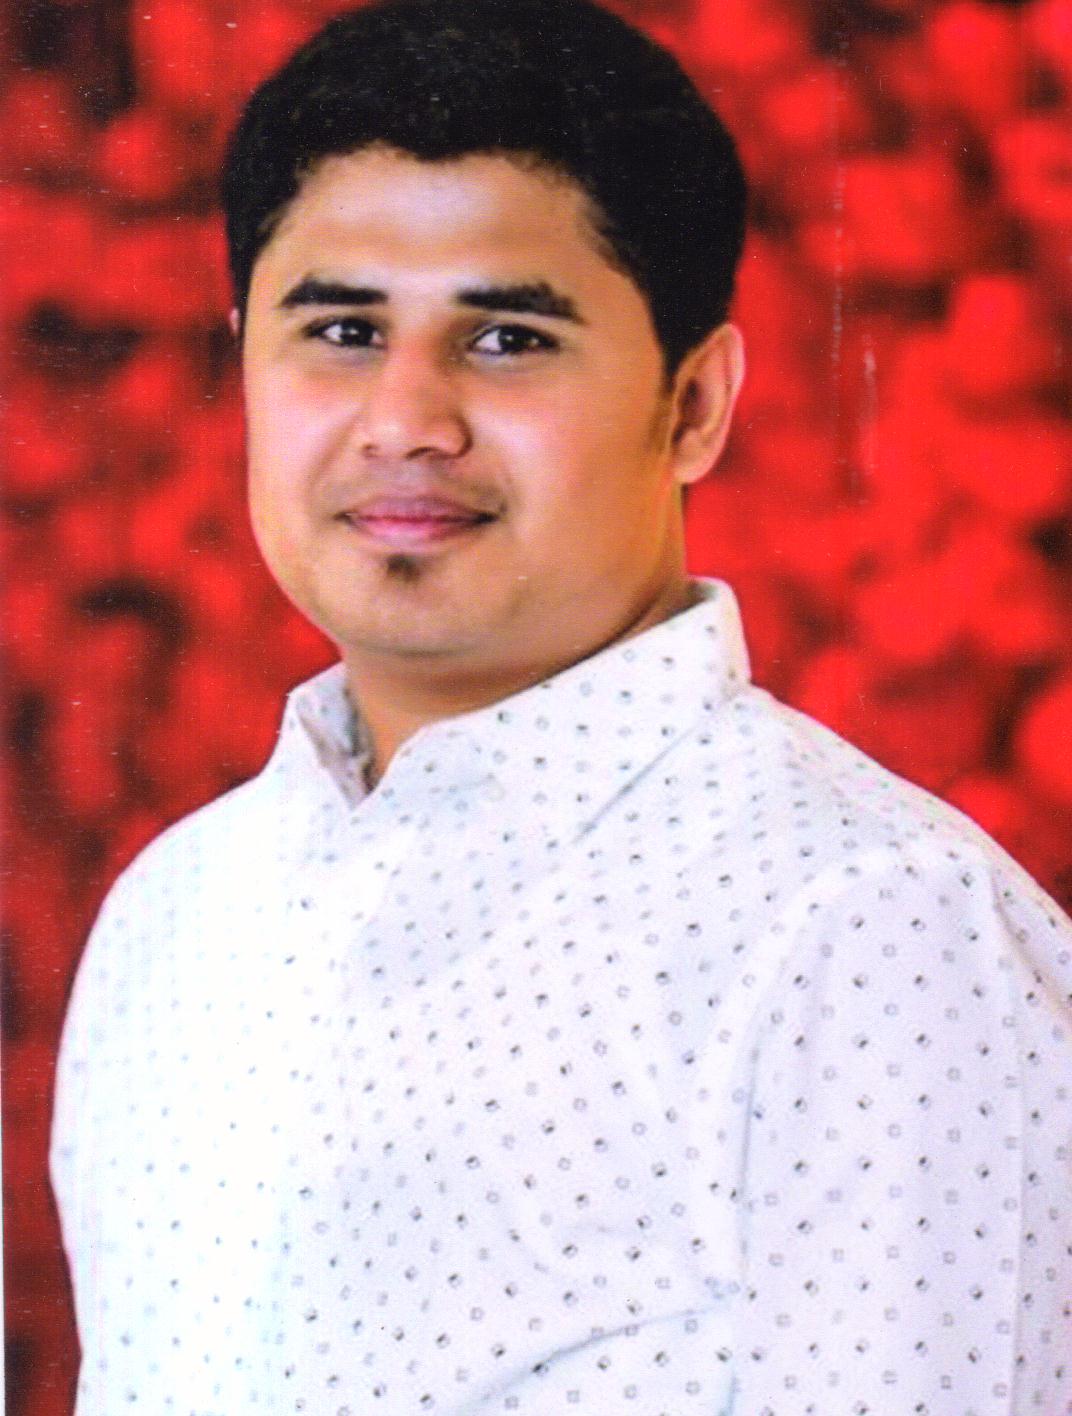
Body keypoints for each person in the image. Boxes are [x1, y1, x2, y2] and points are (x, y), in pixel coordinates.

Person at [50, 0, 1072, 1411]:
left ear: (695, 403)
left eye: (507, 339)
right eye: (341, 330)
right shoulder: (173, 916)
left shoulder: (869, 934)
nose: (405, 420)